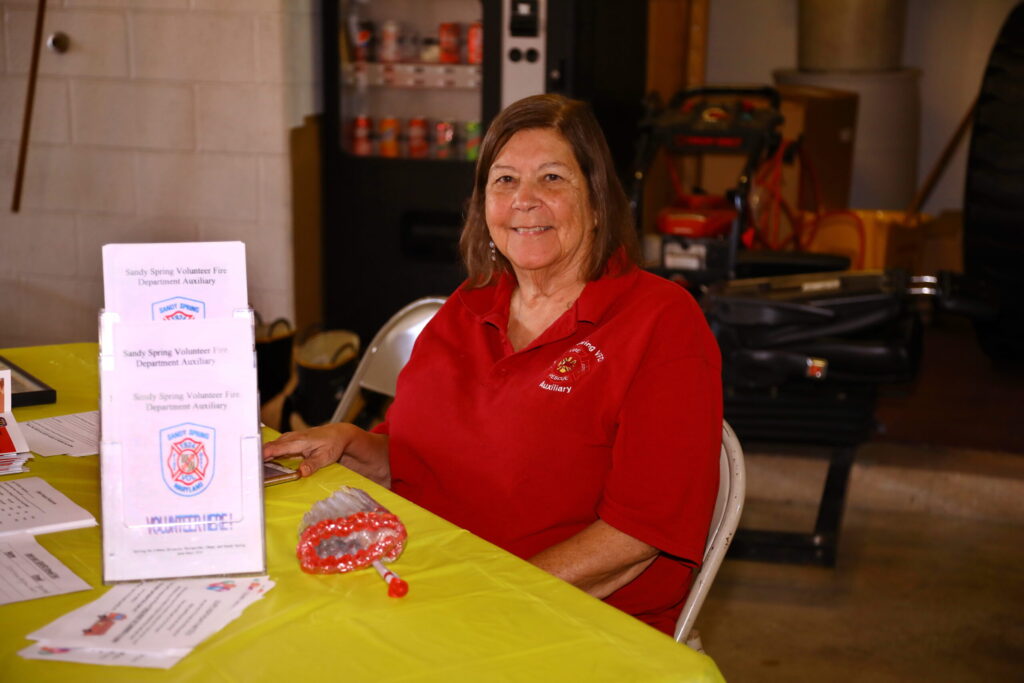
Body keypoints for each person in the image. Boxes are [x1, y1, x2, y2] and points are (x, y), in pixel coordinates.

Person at [263, 94, 722, 635]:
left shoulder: (660, 321)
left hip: (572, 622)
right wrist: (351, 442)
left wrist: (486, 596)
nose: (524, 200)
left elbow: (636, 537)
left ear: (598, 202)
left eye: (552, 178)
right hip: (430, 582)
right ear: (483, 206)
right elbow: (429, 464)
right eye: (504, 180)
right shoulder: (469, 305)